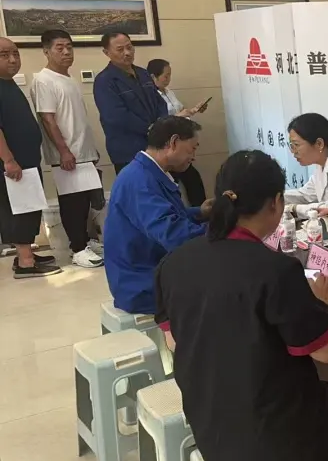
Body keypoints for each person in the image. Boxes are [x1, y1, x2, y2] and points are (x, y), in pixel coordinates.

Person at [155, 150, 328, 461]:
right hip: (266, 443)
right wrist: (319, 304)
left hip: (208, 428)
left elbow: (174, 342)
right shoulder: (276, 270)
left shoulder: (175, 262)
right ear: (275, 203)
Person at [104, 116, 210, 314]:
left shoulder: (147, 172)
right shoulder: (139, 181)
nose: (193, 156)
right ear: (174, 142)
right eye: (192, 149)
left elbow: (164, 218)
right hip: (141, 284)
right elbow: (174, 235)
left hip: (150, 270)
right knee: (229, 287)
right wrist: (226, 227)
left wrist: (200, 212)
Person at [31, 30, 105, 268]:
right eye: (59, 48)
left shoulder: (69, 79)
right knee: (72, 203)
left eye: (69, 47)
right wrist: (63, 151)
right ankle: (78, 249)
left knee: (85, 203)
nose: (66, 52)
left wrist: (91, 150)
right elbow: (48, 119)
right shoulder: (44, 80)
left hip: (83, 152)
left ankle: (86, 241)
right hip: (66, 155)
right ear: (46, 51)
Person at [0, 37, 60, 278]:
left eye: (15, 53)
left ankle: (25, 255)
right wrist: (8, 160)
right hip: (13, 164)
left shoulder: (9, 84)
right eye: (4, 55)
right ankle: (26, 263)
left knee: (30, 207)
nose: (13, 59)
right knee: (21, 210)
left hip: (26, 161)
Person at [93, 32, 168, 175]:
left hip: (156, 145)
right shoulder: (104, 81)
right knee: (137, 186)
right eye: (120, 49)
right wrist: (150, 128)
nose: (127, 53)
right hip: (128, 149)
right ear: (106, 52)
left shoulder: (143, 73)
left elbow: (160, 102)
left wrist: (162, 125)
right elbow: (116, 116)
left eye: (129, 47)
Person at [147, 59, 209, 205]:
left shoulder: (169, 92)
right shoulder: (151, 96)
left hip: (182, 141)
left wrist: (194, 110)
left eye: (170, 75)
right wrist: (178, 116)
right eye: (165, 76)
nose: (168, 79)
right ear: (153, 77)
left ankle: (201, 211)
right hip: (168, 146)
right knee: (175, 181)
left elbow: (181, 111)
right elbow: (156, 123)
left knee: (193, 180)